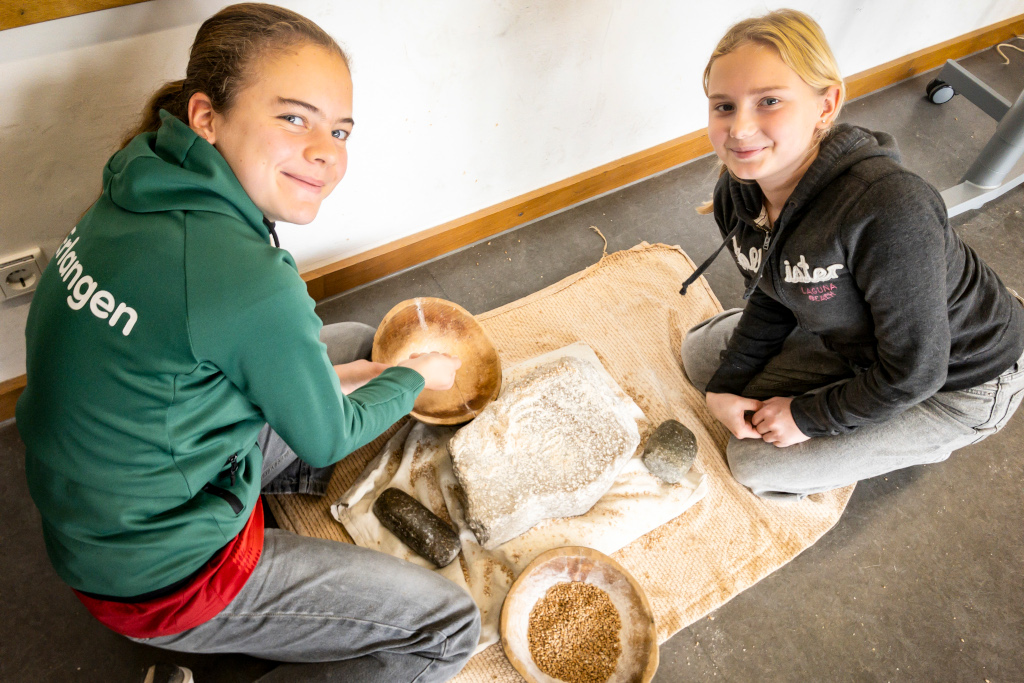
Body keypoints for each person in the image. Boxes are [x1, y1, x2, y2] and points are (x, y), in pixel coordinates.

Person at [16, 4, 480, 681]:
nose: (326, 150)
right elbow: (326, 435)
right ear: (208, 115)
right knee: (446, 627)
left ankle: (274, 498)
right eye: (294, 117)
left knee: (350, 342)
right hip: (160, 573)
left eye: (340, 129)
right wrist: (411, 377)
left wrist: (366, 376)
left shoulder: (141, 173)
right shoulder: (245, 279)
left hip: (99, 511)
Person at [679, 9, 1024, 501]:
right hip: (857, 335)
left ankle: (925, 431)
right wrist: (725, 386)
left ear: (826, 104)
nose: (739, 130)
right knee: (700, 359)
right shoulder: (738, 191)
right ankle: (842, 364)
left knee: (754, 463)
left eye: (770, 101)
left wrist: (807, 417)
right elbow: (776, 292)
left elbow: (918, 372)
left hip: (957, 377)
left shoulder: (889, 207)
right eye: (724, 106)